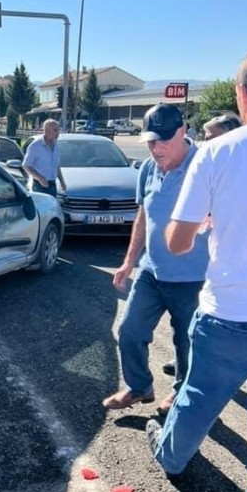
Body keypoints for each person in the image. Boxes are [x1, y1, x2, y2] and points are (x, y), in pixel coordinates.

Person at [148, 44, 247, 492]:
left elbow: (178, 240)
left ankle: (170, 457)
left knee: (198, 399)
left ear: (243, 94)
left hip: (230, 314)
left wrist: (204, 222)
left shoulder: (220, 152)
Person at [101, 103, 210, 418]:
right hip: (152, 272)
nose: (157, 148)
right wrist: (128, 261)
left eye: (164, 140)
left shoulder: (204, 165)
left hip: (195, 279)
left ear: (183, 131)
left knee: (187, 344)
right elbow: (144, 216)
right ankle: (139, 387)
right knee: (130, 331)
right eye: (151, 141)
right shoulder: (148, 168)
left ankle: (179, 396)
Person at [160, 111, 245, 376]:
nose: (205, 144)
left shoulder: (231, 171)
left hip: (224, 271)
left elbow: (178, 239)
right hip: (207, 266)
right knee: (190, 323)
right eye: (205, 138)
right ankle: (187, 362)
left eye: (211, 138)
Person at [21, 119, 65, 196]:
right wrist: (40, 178)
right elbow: (26, 165)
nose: (58, 133)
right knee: (41, 207)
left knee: (52, 207)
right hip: (40, 185)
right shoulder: (36, 146)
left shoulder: (55, 145)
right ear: (47, 131)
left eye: (58, 130)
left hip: (53, 184)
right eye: (55, 130)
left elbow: (56, 166)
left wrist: (62, 181)